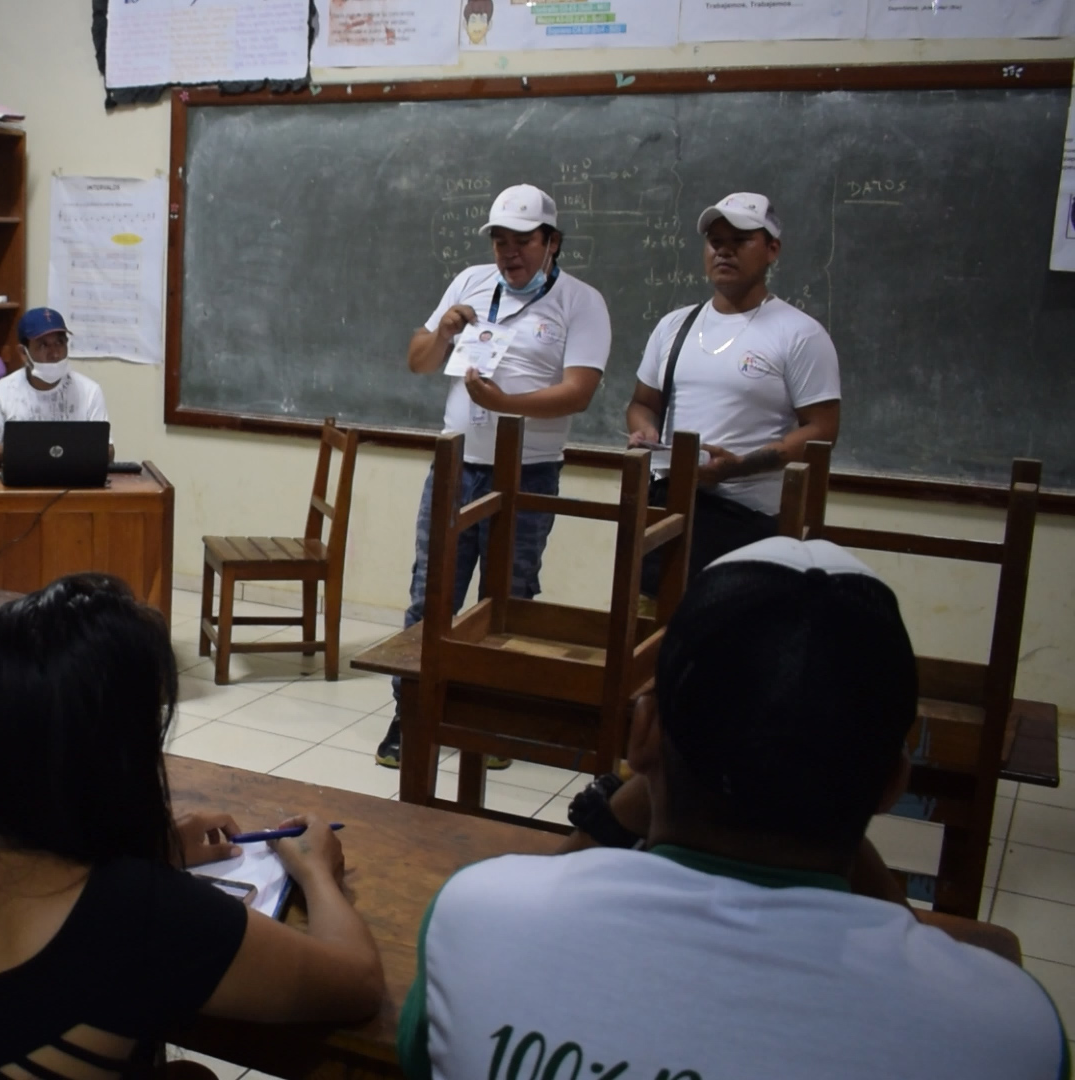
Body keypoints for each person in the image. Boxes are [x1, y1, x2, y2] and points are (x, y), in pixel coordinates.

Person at [399, 538, 1069, 1079]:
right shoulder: (1009, 1033)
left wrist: (614, 809)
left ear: (644, 734)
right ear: (894, 781)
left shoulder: (477, 918)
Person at [0, 574, 385, 1077]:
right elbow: (356, 983)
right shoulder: (143, 911)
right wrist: (318, 874)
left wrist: (157, 848)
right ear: (121, 761)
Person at [379, 184, 613, 769]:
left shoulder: (582, 303)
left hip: (527, 471)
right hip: (456, 463)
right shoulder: (469, 282)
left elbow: (579, 392)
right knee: (431, 591)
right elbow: (418, 361)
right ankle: (413, 715)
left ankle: (488, 716)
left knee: (508, 598)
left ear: (552, 242)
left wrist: (509, 404)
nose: (510, 253)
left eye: (524, 242)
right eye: (500, 241)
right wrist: (444, 334)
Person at [627, 193, 841, 586]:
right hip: (668, 506)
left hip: (748, 518)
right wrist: (646, 432)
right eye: (715, 242)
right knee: (653, 630)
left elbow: (822, 429)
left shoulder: (799, 334)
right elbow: (644, 403)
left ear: (772, 249)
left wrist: (740, 466)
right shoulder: (675, 326)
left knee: (731, 636)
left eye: (740, 241)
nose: (724, 252)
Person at [0, 308, 111, 467]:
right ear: (23, 353)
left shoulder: (89, 391)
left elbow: (108, 452)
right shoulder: (0, 392)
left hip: (75, 484)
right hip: (19, 485)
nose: (55, 354)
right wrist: (21, 447)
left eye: (60, 343)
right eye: (43, 345)